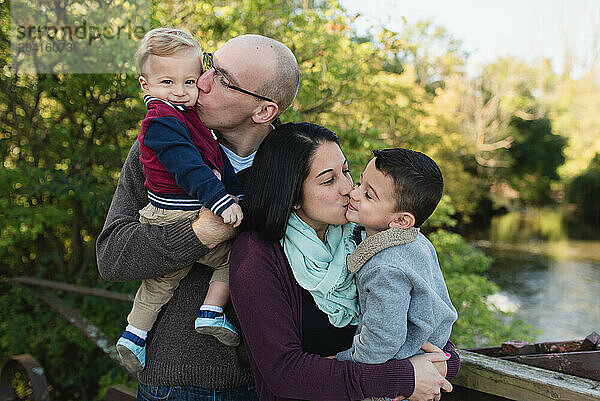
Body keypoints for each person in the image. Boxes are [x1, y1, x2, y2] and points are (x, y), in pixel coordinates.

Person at [97, 33, 299, 400]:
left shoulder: (302, 164)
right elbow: (112, 257)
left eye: (222, 78)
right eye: (209, 65)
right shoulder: (160, 142)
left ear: (264, 111)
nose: (200, 82)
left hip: (274, 382)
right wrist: (200, 232)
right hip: (175, 381)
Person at [229, 122, 460, 401]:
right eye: (329, 180)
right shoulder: (257, 255)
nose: (349, 189)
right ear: (292, 195)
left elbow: (427, 322)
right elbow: (284, 374)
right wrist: (401, 378)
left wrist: (446, 362)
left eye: (347, 172)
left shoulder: (370, 238)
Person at [115, 27, 247, 374]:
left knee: (164, 283)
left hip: (251, 379)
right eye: (168, 83)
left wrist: (238, 193)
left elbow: (216, 163)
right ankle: (206, 312)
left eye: (190, 81)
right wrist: (216, 207)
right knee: (229, 259)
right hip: (171, 216)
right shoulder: (161, 123)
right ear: (146, 85)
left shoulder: (194, 125)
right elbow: (192, 169)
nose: (186, 91)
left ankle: (137, 335)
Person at [335, 148, 458, 400]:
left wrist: (340, 361)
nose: (354, 193)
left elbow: (383, 341)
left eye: (368, 195)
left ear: (401, 221)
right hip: (429, 351)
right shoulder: (416, 242)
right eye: (359, 182)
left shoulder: (385, 267)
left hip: (400, 368)